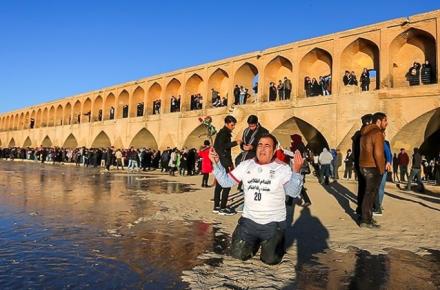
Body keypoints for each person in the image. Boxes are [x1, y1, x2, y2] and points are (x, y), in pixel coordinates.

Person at [209, 133, 304, 265]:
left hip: (273, 223)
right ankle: (253, 242)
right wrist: (217, 163)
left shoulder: (283, 168)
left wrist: (296, 172)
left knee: (271, 260)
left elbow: (293, 192)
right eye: (260, 145)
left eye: (267, 145)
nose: (262, 149)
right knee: (238, 255)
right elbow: (225, 182)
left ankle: (270, 242)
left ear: (275, 149)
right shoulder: (246, 165)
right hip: (249, 221)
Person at [359, 112, 387, 228]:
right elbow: (378, 153)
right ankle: (366, 220)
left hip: (364, 166)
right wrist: (381, 169)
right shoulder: (377, 133)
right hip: (373, 167)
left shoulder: (365, 132)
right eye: (385, 120)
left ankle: (367, 217)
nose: (387, 123)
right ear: (379, 121)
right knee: (371, 194)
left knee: (368, 193)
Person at [213, 115, 242, 215]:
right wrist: (235, 143)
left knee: (219, 184)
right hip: (223, 161)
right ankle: (223, 207)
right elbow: (222, 148)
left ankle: (217, 206)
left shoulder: (222, 133)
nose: (233, 127)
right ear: (227, 124)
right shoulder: (224, 133)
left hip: (220, 161)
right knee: (227, 184)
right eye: (232, 125)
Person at [352, 114, 373, 216]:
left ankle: (360, 209)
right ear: (369, 122)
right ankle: (365, 214)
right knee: (368, 190)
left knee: (362, 188)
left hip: (359, 164)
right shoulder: (367, 134)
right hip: (367, 165)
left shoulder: (357, 134)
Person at [374, 133, 392, 216]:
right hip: (381, 166)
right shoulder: (385, 142)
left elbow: (389, 154)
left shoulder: (384, 143)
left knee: (380, 187)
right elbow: (389, 154)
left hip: (382, 167)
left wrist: (388, 163)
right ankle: (378, 205)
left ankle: (378, 205)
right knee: (380, 187)